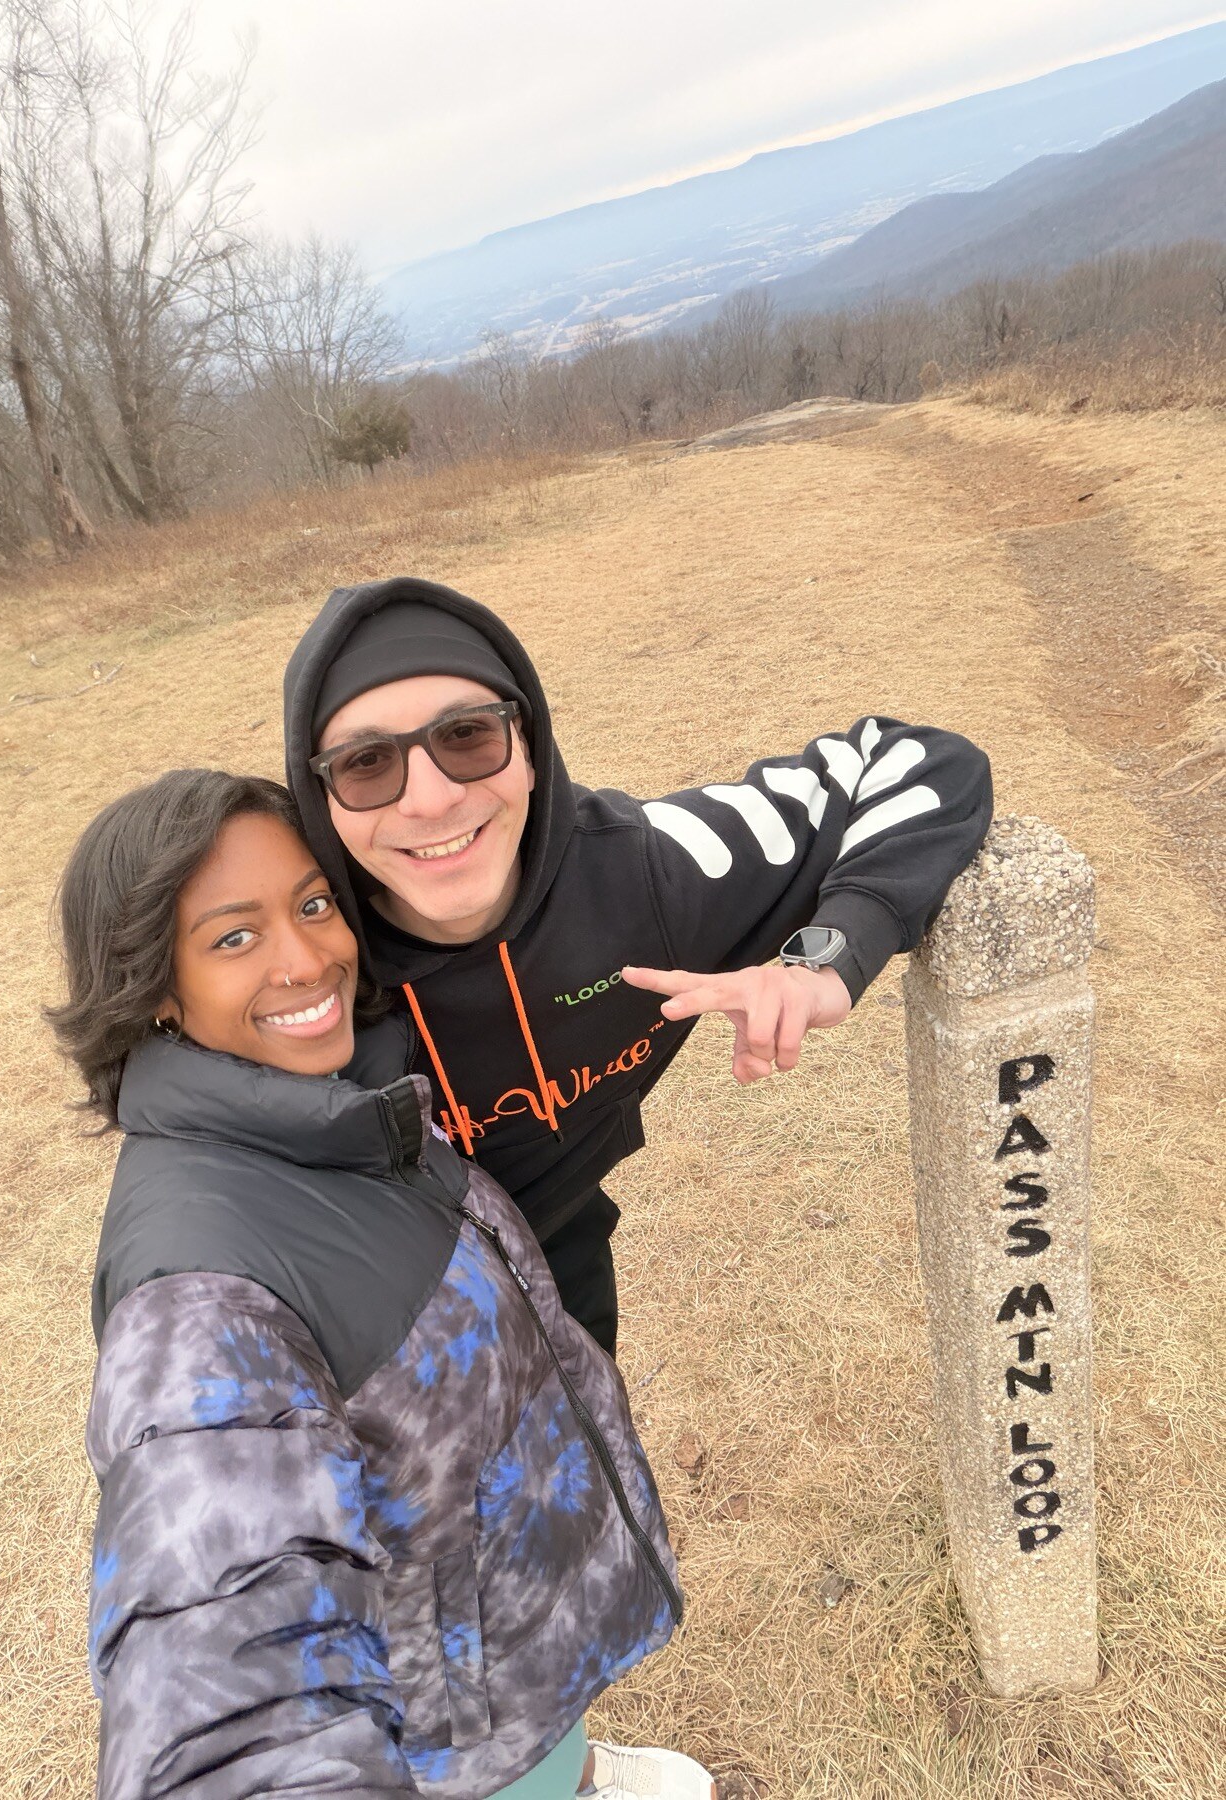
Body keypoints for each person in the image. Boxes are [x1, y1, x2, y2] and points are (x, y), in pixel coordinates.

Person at [48, 769, 715, 1800]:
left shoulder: (334, 1100)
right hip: (450, 1745)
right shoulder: (196, 1293)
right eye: (234, 938)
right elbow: (224, 1699)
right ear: (153, 990)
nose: (307, 956)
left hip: (505, 1680)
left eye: (313, 904)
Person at [282, 578, 994, 1357]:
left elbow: (914, 762)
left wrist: (824, 961)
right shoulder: (296, 964)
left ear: (530, 747)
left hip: (559, 1264)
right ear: (321, 796)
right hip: (363, 1329)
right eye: (366, 763)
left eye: (467, 736)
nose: (428, 799)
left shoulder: (644, 874)